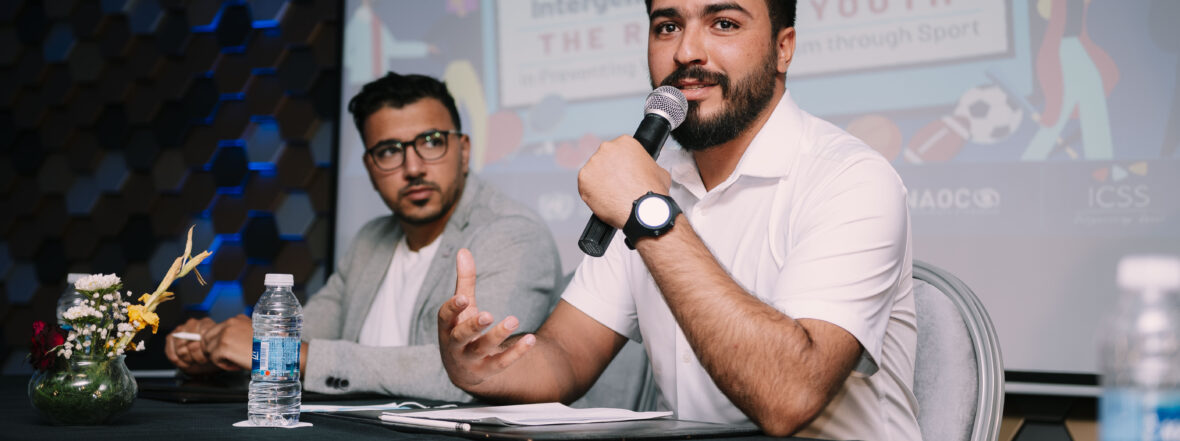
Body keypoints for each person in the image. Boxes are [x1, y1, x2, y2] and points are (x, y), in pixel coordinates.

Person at [436, 0, 920, 439]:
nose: (687, 51)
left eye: (723, 24)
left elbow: (789, 395)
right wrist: (484, 369)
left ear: (783, 48)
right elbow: (566, 355)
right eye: (667, 27)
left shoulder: (851, 179)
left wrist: (647, 213)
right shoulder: (651, 180)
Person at [165, 72, 562, 402]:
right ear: (370, 168)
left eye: (431, 142)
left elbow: (478, 372)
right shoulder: (370, 241)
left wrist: (281, 353)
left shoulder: (513, 234)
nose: (413, 168)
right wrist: (217, 351)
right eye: (389, 151)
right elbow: (303, 339)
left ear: (464, 150)